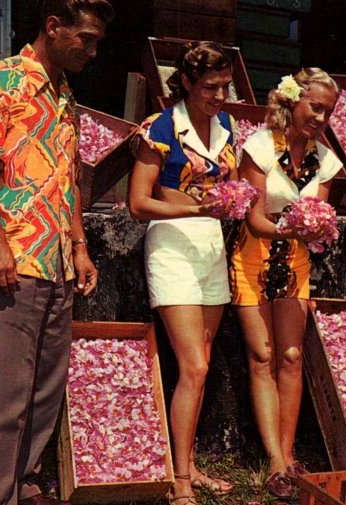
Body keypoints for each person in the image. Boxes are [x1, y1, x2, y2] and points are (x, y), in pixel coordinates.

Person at [0, 1, 112, 503]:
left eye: (96, 41)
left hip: (57, 263)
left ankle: (24, 486)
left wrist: (80, 246)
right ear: (53, 25)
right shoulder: (0, 78)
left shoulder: (65, 96)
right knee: (2, 392)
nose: (92, 50)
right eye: (84, 38)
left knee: (45, 390)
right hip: (12, 259)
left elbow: (65, 181)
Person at [127, 41, 237, 504]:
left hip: (212, 250)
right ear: (187, 83)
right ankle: (181, 482)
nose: (220, 96)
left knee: (202, 364)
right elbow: (138, 203)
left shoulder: (226, 125)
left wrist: (231, 203)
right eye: (211, 87)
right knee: (193, 366)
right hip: (172, 250)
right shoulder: (162, 126)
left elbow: (228, 187)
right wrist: (197, 207)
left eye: (226, 87)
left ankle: (187, 464)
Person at [229, 68, 342, 499]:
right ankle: (274, 459)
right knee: (262, 355)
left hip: (295, 264)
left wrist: (315, 230)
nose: (320, 118)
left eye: (328, 112)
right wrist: (294, 230)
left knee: (291, 356)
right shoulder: (257, 148)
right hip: (253, 258)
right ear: (292, 101)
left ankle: (289, 452)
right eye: (315, 107)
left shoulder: (326, 161)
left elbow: (321, 218)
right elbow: (255, 220)